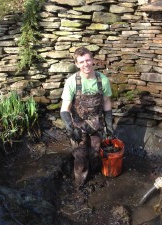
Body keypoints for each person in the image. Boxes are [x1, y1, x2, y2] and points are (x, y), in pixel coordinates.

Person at [60, 46, 114, 187]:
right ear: (77, 64)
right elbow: (65, 109)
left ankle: (95, 178)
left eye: (88, 60)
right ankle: (79, 184)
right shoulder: (72, 82)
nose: (86, 64)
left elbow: (107, 103)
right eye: (82, 62)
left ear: (93, 60)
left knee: (95, 154)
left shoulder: (103, 81)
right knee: (81, 157)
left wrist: (109, 126)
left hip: (97, 124)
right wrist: (71, 128)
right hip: (78, 126)